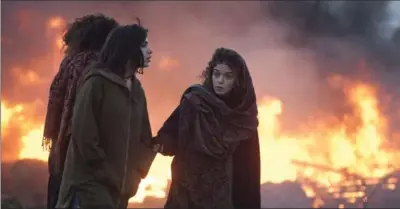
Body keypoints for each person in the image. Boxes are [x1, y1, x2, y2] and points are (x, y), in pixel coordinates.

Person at [56, 23, 156, 209]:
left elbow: (145, 138)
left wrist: (136, 174)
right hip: (89, 189)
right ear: (128, 48)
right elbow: (85, 137)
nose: (149, 51)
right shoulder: (96, 83)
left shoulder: (137, 90)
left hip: (120, 193)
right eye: (144, 45)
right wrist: (108, 174)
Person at [152, 48, 261, 209]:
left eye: (228, 76)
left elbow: (250, 176)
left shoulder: (244, 119)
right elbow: (170, 134)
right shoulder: (195, 102)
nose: (220, 80)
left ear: (238, 80)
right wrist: (160, 143)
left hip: (228, 200)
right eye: (216, 74)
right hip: (188, 196)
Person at [42, 13, 119, 209]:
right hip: (85, 158)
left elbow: (57, 112)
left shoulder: (68, 65)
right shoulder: (100, 68)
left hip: (62, 153)